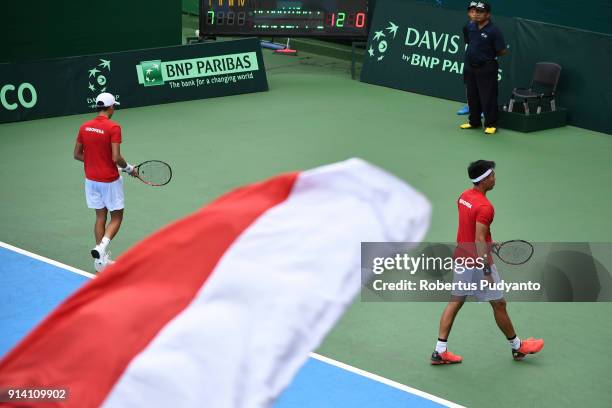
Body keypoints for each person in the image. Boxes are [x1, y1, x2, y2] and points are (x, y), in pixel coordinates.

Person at [431, 160, 544, 365]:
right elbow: (479, 239)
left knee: (455, 302)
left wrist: (490, 243)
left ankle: (439, 351)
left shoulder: (464, 196)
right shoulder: (485, 207)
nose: (494, 178)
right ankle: (517, 348)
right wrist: (486, 269)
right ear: (483, 180)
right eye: (492, 175)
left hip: (462, 257)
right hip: (477, 263)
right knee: (499, 304)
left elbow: (472, 232)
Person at [73, 92, 136, 272]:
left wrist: (95, 161)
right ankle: (101, 248)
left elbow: (77, 154)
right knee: (117, 217)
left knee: (100, 217)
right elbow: (116, 157)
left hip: (91, 181)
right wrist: (129, 168)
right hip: (109, 181)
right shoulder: (113, 127)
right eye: (113, 106)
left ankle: (100, 262)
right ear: (110, 107)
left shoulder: (84, 127)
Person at [459, 2, 507, 135]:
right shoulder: (469, 26)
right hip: (470, 67)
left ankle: (491, 124)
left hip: (487, 68)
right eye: (477, 11)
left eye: (481, 12)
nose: (478, 14)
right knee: (472, 96)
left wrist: (487, 56)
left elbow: (502, 51)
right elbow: (468, 41)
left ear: (488, 14)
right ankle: (474, 122)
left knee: (488, 97)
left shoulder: (494, 31)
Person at [457, 2, 478, 116]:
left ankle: (483, 108)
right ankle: (470, 106)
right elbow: (468, 41)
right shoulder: (467, 26)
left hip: (483, 61)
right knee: (469, 83)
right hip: (470, 59)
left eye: (476, 11)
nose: (474, 14)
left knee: (482, 85)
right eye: (472, 11)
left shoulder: (487, 26)